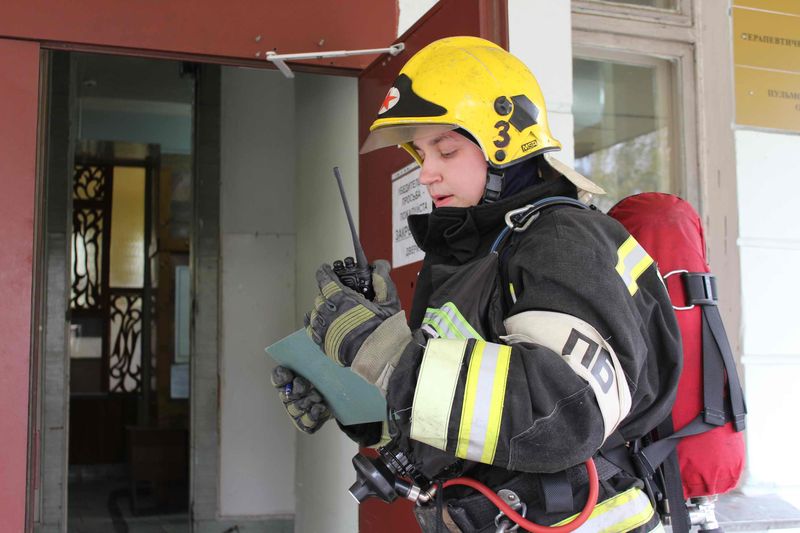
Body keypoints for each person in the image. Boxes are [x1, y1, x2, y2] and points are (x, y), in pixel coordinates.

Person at [272, 36, 681, 532]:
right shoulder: (478, 253)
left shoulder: (562, 242)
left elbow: (562, 414)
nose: (426, 173)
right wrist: (355, 398)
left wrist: (379, 348)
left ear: (504, 145)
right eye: (420, 153)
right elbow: (469, 420)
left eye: (446, 150)